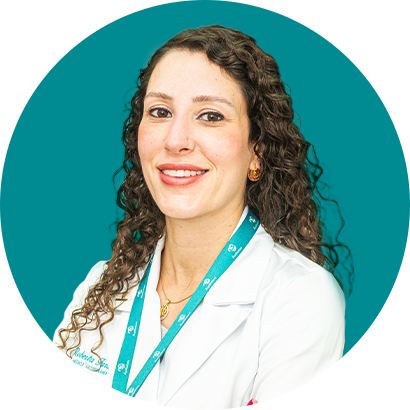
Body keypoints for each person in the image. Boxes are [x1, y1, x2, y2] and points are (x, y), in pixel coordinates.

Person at [13, 25, 353, 410]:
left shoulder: (300, 298)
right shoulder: (102, 285)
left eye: (210, 116)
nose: (175, 140)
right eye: (160, 112)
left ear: (256, 151)